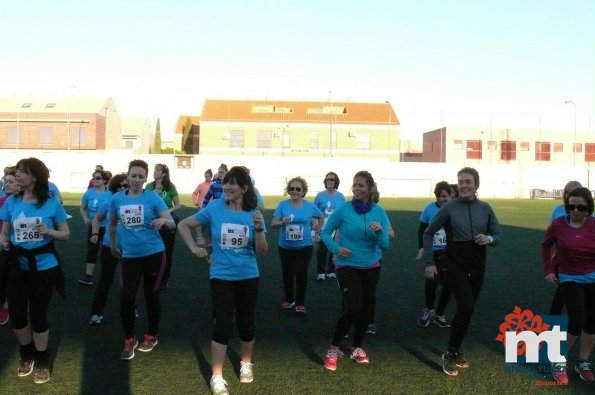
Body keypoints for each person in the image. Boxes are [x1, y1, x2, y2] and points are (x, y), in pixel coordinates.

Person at [178, 166, 267, 395]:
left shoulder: (254, 212)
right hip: (221, 276)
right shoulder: (214, 208)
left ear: (244, 188)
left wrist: (258, 229)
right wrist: (194, 247)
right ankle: (216, 377)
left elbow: (262, 251)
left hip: (248, 276)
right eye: (225, 183)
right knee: (223, 324)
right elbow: (183, 225)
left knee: (246, 323)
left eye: (232, 184)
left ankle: (246, 363)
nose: (226, 187)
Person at [423, 167, 501, 377]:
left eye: (468, 182)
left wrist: (489, 239)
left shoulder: (485, 208)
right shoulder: (449, 208)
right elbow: (429, 233)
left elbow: (498, 235)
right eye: (461, 182)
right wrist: (430, 263)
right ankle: (449, 354)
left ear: (476, 184)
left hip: (477, 263)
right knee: (465, 305)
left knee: (467, 309)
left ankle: (454, 350)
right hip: (453, 263)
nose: (464, 185)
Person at [0, 157, 70, 384]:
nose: (16, 175)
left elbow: (65, 233)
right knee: (18, 316)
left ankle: (41, 359)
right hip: (16, 265)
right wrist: (3, 240)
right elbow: (5, 231)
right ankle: (26, 353)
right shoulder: (11, 201)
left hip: (44, 267)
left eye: (22, 172)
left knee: (38, 315)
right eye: (17, 172)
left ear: (35, 177)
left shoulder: (51, 203)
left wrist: (48, 231)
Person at [321, 171, 389, 371]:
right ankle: (333, 347)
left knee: (366, 309)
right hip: (346, 264)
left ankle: (357, 347)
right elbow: (324, 232)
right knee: (353, 306)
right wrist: (335, 248)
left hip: (371, 265)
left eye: (361, 185)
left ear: (369, 188)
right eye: (355, 185)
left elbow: (384, 246)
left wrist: (379, 233)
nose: (357, 189)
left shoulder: (379, 212)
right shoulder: (343, 209)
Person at [109, 159, 175, 360]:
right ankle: (129, 338)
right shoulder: (117, 199)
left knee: (151, 295)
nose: (137, 180)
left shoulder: (153, 199)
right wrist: (113, 246)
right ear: (127, 177)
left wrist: (163, 220)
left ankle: (151, 335)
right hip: (129, 256)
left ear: (146, 179)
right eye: (133, 176)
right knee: (127, 298)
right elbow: (112, 225)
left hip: (154, 254)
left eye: (141, 176)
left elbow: (172, 224)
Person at [541, 186, 595, 384]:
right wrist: (548, 269)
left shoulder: (594, 224)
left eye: (581, 207)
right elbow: (545, 245)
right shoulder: (558, 225)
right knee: (577, 320)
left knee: (591, 321)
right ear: (566, 206)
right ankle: (558, 361)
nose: (576, 211)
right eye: (571, 207)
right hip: (568, 276)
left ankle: (582, 362)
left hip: (592, 276)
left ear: (588, 207)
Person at [271, 177, 323, 314]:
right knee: (287, 273)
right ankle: (289, 299)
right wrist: (282, 222)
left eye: (298, 189)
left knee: (301, 272)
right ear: (288, 190)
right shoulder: (282, 205)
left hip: (304, 246)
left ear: (303, 191)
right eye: (292, 189)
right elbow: (273, 224)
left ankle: (300, 303)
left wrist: (317, 231)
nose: (294, 191)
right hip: (285, 247)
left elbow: (321, 217)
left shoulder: (309, 206)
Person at [88, 173, 128, 325]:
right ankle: (96, 313)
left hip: (130, 248)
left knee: (128, 281)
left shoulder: (135, 202)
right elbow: (96, 218)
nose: (123, 189)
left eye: (126, 186)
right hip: (108, 246)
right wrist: (95, 233)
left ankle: (131, 308)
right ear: (114, 188)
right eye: (120, 186)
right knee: (105, 279)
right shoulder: (110, 202)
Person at [415, 181, 453, 328]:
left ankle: (440, 314)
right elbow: (422, 230)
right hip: (434, 252)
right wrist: (421, 247)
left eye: (444, 196)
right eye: (439, 197)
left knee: (448, 285)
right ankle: (429, 310)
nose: (441, 199)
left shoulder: (455, 209)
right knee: (432, 281)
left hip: (450, 253)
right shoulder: (429, 209)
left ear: (450, 195)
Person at [548, 180, 582, 316]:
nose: (567, 195)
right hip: (561, 260)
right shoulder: (557, 210)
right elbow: (550, 237)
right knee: (562, 293)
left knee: (568, 294)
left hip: (582, 260)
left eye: (571, 193)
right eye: (566, 192)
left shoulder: (588, 213)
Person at [146, 164, 182, 290]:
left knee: (167, 250)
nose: (155, 172)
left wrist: (169, 210)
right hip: (153, 220)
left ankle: (165, 278)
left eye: (158, 170)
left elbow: (178, 205)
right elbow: (145, 202)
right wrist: (154, 193)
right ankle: (152, 274)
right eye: (154, 170)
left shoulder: (170, 187)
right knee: (152, 249)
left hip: (167, 219)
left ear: (164, 174)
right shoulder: (149, 186)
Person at [78, 169, 111, 286]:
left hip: (107, 227)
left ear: (105, 180)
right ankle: (88, 277)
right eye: (94, 178)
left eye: (98, 178)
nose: (95, 180)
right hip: (94, 227)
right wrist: (85, 218)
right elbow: (82, 207)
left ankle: (108, 276)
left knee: (109, 252)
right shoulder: (89, 193)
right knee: (92, 250)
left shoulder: (110, 193)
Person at [313, 172, 345, 280]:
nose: (329, 181)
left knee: (333, 247)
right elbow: (314, 211)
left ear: (336, 182)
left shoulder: (340, 197)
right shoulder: (319, 196)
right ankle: (321, 271)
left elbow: (343, 212)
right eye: (327, 179)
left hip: (336, 226)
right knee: (322, 248)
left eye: (332, 179)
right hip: (322, 225)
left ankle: (331, 270)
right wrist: (315, 224)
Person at [0, 166, 18, 326]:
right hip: (4, 246)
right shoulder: (2, 200)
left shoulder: (25, 201)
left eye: (10, 181)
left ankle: (7, 307)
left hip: (19, 249)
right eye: (5, 181)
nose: (6, 184)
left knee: (12, 279)